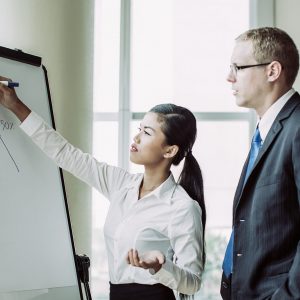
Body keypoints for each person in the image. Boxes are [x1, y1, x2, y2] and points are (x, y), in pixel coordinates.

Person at [0, 78, 206, 300]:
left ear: (169, 150)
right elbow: (65, 154)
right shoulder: (121, 184)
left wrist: (160, 267)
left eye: (147, 132)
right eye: (139, 129)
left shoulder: (183, 207)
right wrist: (16, 106)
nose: (136, 137)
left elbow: (192, 283)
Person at [220, 27, 300, 299]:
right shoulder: (265, 131)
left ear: (272, 71)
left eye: (238, 67)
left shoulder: (298, 128)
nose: (229, 77)